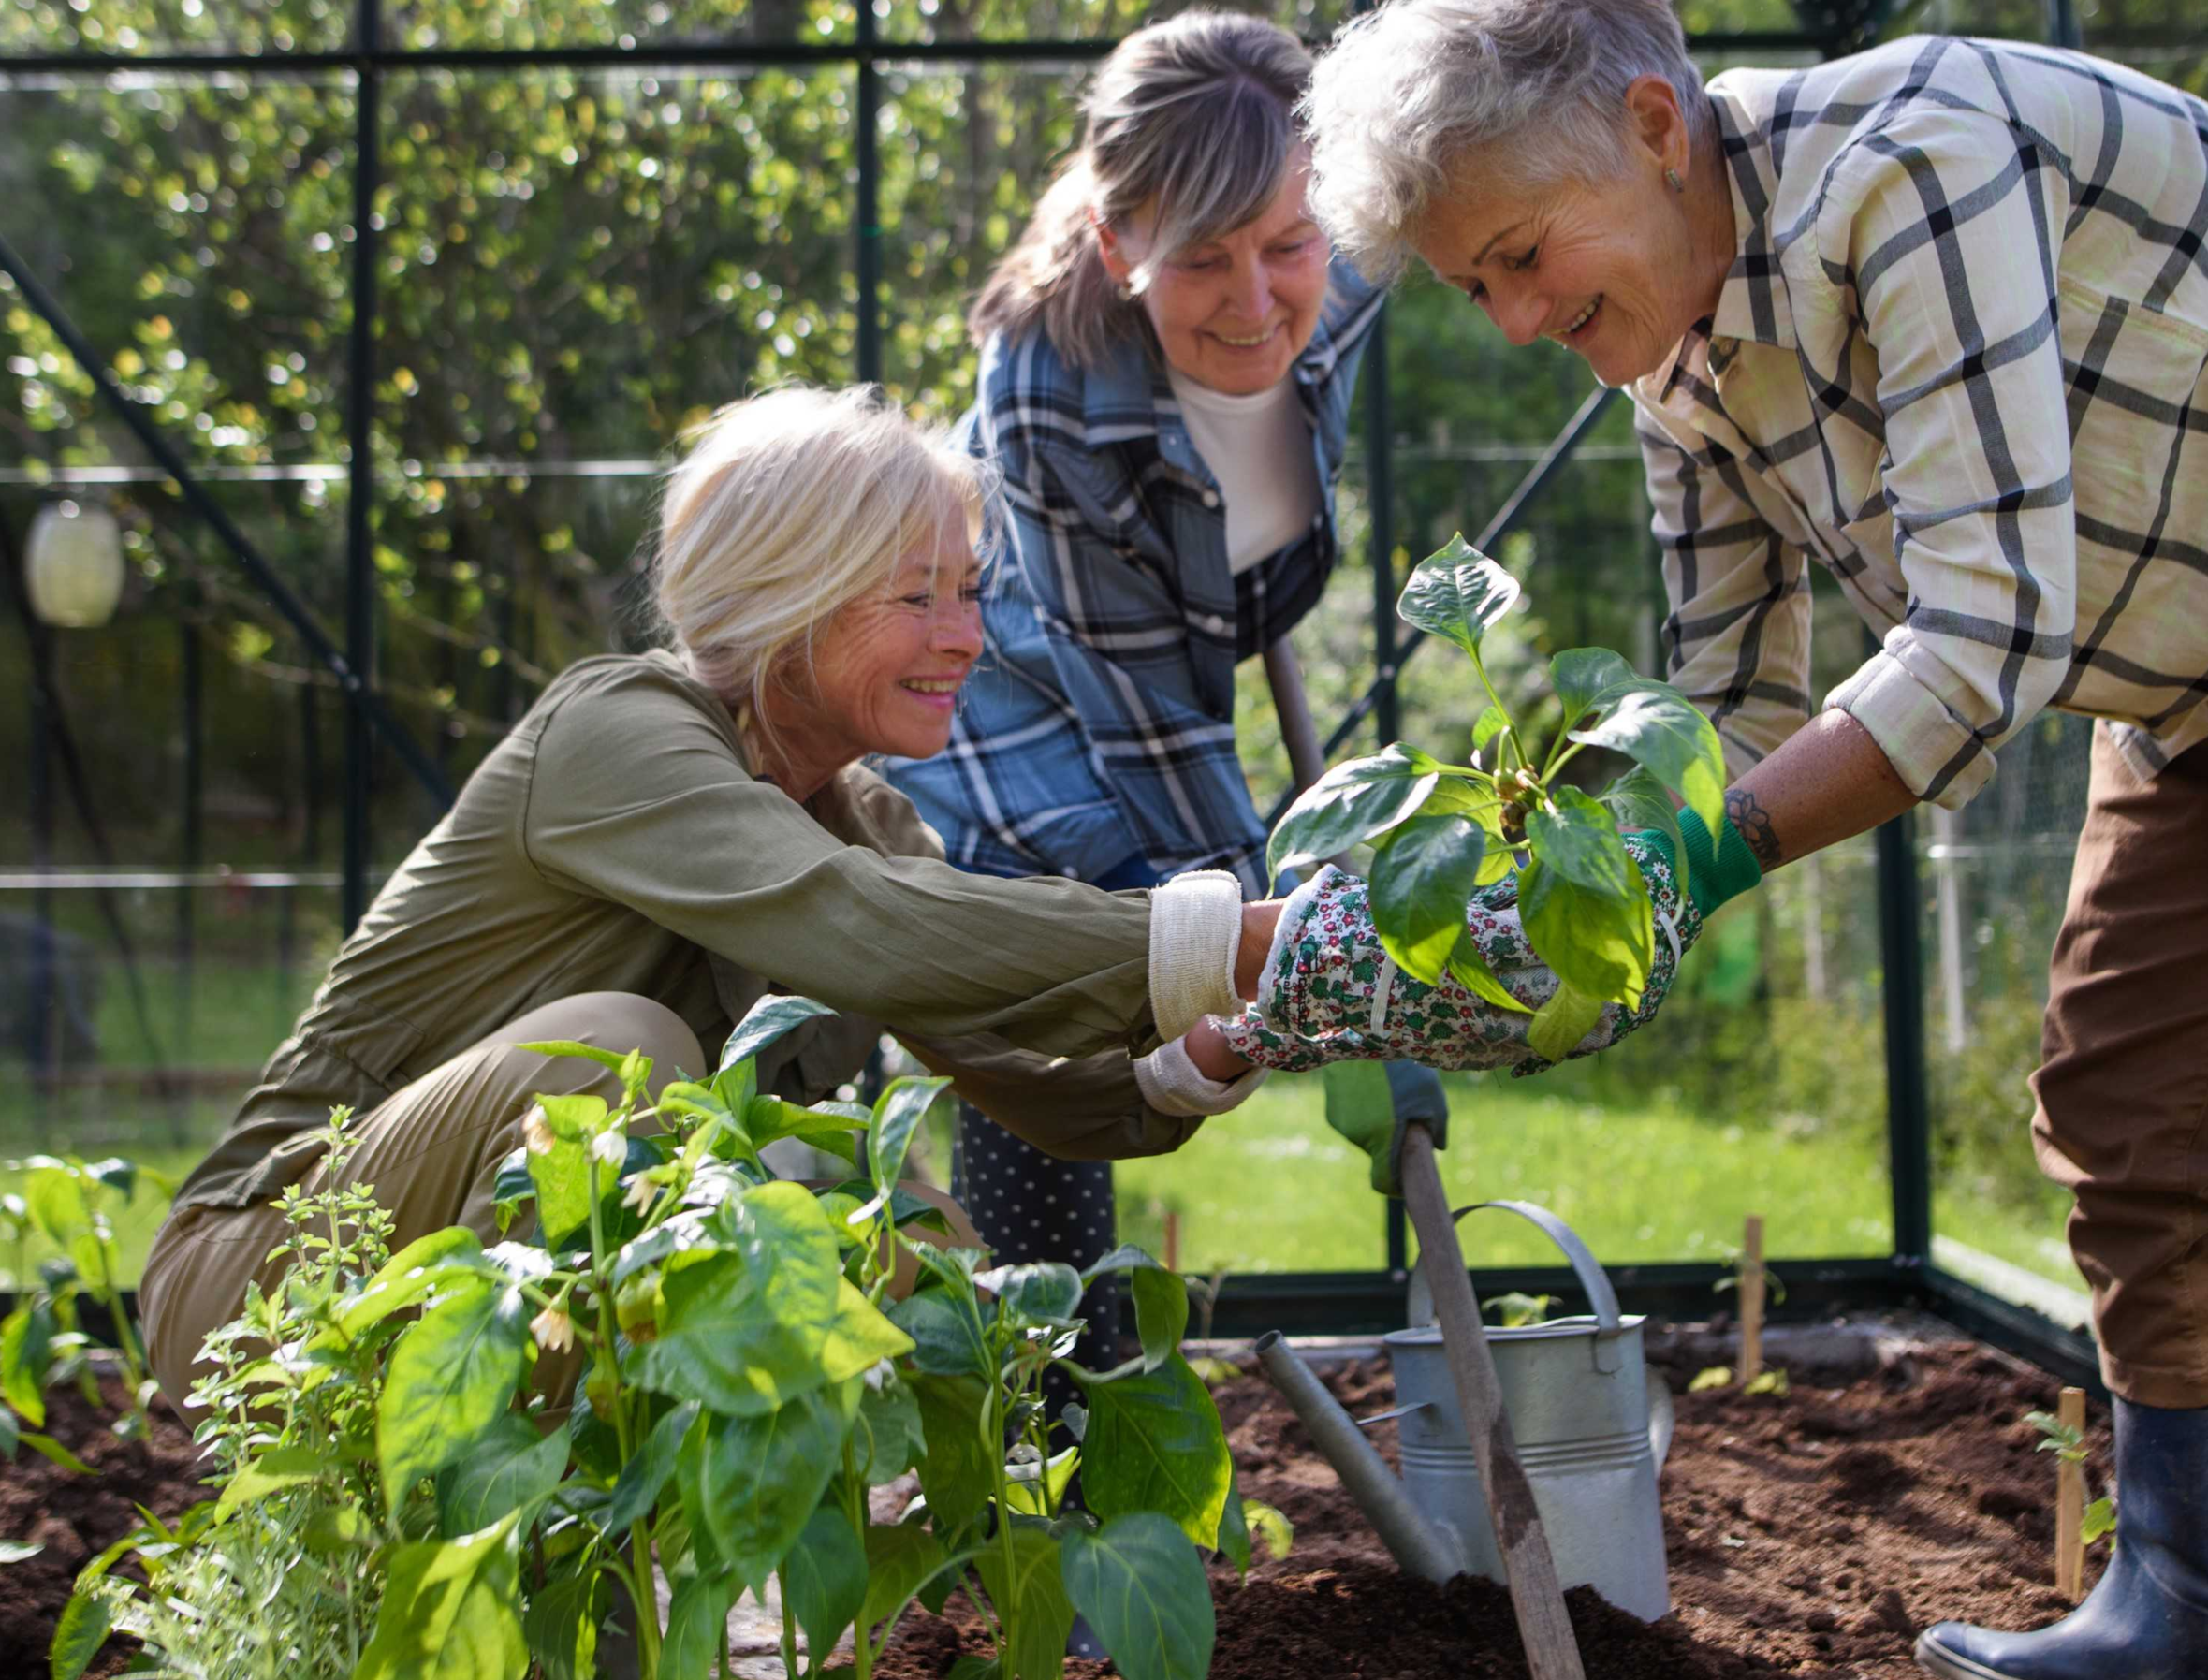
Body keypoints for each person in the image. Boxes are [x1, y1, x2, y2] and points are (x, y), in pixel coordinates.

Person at [1299, 0, 2208, 1680]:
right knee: (2124, 1107)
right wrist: (1558, 893)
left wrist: (1690, 869)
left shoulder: (1910, 158)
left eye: (1516, 259)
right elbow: (1725, 718)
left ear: (1653, 125)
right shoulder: (1669, 360)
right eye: (1471, 286)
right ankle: (2196, 1610)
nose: (1508, 319)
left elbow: (1977, 654)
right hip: (2206, 656)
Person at [140, 385, 1607, 1409]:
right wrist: (1252, 930)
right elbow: (859, 929)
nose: (966, 638)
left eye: (971, 592)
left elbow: (1030, 1073)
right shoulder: (616, 734)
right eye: (918, 596)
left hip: (478, 1275)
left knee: (906, 1246)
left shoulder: (864, 817)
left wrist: (1258, 1024)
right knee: (622, 1061)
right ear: (787, 600)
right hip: (266, 1274)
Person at [877, 9, 1384, 1362]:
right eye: (1200, 260)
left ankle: (1072, 1396)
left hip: (1200, 630)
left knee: (1182, 945)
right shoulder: (1052, 378)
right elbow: (1146, 722)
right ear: (1117, 247)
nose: (1258, 299)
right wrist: (1289, 952)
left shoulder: (1356, 246)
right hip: (1015, 690)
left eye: (1287, 246)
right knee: (1055, 993)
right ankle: (1058, 1402)